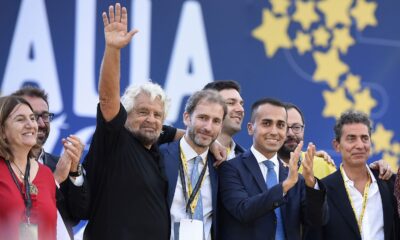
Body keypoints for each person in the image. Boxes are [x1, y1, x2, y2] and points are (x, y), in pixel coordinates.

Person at [83, 3, 170, 239]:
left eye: (157, 114)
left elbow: (173, 132)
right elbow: (108, 98)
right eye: (143, 112)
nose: (151, 119)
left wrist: (211, 142)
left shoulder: (158, 150)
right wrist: (113, 49)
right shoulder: (115, 139)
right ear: (125, 116)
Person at [218, 97, 328, 240]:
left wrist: (310, 183)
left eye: (280, 125)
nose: (274, 131)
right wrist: (285, 186)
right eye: (267, 123)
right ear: (251, 128)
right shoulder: (231, 168)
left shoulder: (294, 177)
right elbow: (243, 210)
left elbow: (316, 221)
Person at [308, 110, 399, 239]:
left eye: (364, 138)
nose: (360, 145)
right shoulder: (323, 190)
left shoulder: (389, 182)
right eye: (351, 139)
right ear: (337, 145)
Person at [12, 86, 88, 239]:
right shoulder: (5, 167)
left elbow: (80, 213)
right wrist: (55, 180)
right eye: (32, 116)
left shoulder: (59, 164)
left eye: (45, 116)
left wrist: (75, 171)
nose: (39, 123)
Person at [160, 89, 226, 240]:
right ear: (187, 118)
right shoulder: (160, 157)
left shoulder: (223, 167)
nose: (208, 127)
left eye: (216, 121)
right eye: (203, 118)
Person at [0, 96, 57, 240]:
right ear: (2, 131)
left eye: (32, 118)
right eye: (20, 119)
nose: (31, 124)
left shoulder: (46, 174)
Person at [278, 102, 337, 179]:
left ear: (303, 129)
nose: (291, 133)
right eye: (284, 127)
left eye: (296, 127)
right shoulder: (261, 169)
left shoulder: (324, 166)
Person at [203, 80, 245, 159]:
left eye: (241, 104)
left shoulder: (249, 161)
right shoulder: (189, 152)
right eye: (230, 103)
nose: (241, 109)